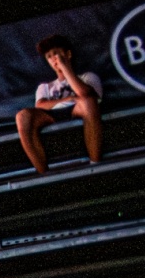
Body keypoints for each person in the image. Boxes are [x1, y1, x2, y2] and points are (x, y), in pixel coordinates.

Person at [15, 35, 104, 174]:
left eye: (56, 53)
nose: (53, 59)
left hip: (79, 109)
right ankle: (44, 174)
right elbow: (40, 106)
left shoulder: (88, 77)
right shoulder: (45, 87)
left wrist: (65, 67)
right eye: (49, 56)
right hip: (52, 114)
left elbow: (87, 95)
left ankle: (95, 164)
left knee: (88, 101)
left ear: (68, 54)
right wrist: (68, 98)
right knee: (22, 116)